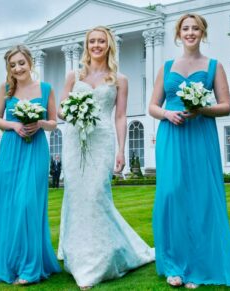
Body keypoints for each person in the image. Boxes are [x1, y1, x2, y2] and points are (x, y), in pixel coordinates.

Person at [149, 13, 230, 288]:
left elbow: (225, 105)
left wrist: (200, 109)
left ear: (203, 32)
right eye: (186, 28)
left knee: (201, 197)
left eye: (195, 28)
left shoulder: (214, 66)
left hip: (201, 134)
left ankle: (199, 264)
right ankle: (173, 264)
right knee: (171, 195)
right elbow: (152, 106)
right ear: (178, 34)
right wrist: (168, 114)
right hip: (172, 134)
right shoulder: (166, 67)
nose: (190, 32)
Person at [57, 26, 155, 289]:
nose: (96, 46)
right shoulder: (73, 75)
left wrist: (122, 149)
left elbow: (120, 116)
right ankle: (79, 258)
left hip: (102, 140)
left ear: (109, 45)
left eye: (101, 41)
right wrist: (72, 112)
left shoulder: (119, 79)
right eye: (92, 41)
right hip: (74, 140)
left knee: (96, 195)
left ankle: (99, 260)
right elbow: (59, 112)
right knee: (77, 196)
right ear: (86, 45)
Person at [0, 45, 61, 285]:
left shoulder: (46, 89)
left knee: (28, 205)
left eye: (21, 63)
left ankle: (31, 268)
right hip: (11, 148)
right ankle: (13, 264)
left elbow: (54, 122)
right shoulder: (6, 88)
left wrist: (40, 123)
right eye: (12, 65)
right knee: (11, 206)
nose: (17, 68)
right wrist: (14, 125)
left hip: (35, 149)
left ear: (30, 62)